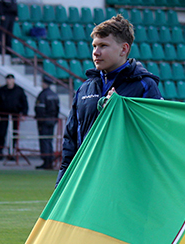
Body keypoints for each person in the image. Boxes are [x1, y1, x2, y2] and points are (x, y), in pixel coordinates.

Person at [57, 14, 162, 185]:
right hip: (87, 181)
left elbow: (156, 136)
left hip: (126, 183)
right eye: (94, 46)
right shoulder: (84, 89)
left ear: (124, 49)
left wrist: (121, 108)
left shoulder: (144, 85)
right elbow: (70, 141)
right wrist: (61, 185)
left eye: (103, 46)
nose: (96, 52)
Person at [0, 73, 28, 160]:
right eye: (7, 79)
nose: (8, 81)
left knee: (14, 134)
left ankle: (12, 153)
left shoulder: (19, 90)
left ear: (13, 80)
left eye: (10, 79)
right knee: (1, 134)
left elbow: (24, 103)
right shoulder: (2, 90)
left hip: (15, 115)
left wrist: (24, 114)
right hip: (3, 115)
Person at [34, 76, 60, 170]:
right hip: (52, 120)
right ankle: (50, 159)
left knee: (44, 140)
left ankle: (46, 161)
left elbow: (40, 109)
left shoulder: (43, 95)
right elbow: (57, 109)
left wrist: (40, 120)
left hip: (44, 121)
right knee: (49, 140)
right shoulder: (54, 94)